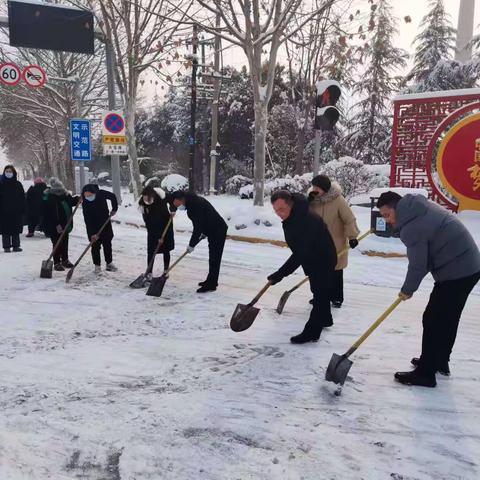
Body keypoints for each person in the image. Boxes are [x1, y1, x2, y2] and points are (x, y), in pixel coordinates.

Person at [378, 191, 480, 388]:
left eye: (387, 215)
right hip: (469, 265)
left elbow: (418, 264)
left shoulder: (411, 227)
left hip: (457, 270)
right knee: (447, 318)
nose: (387, 220)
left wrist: (407, 290)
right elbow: (424, 261)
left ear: (396, 208)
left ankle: (426, 373)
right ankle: (438, 360)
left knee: (433, 318)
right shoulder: (417, 208)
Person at [268, 190, 337, 344]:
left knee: (320, 295)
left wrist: (280, 274)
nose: (279, 214)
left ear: (291, 205)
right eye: (276, 210)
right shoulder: (294, 215)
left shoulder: (306, 220)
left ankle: (312, 332)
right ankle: (326, 319)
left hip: (323, 259)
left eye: (282, 209)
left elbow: (300, 253)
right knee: (319, 291)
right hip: (312, 258)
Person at [308, 175, 360, 308]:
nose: (314, 189)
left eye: (317, 187)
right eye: (313, 187)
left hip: (335, 242)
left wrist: (352, 236)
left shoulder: (338, 200)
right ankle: (319, 296)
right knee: (317, 272)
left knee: (335, 271)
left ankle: (337, 298)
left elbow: (349, 219)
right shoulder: (313, 200)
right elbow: (304, 216)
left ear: (325, 189)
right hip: (316, 243)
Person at [171, 191, 228, 293]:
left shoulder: (195, 205)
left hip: (218, 230)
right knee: (213, 258)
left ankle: (212, 284)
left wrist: (191, 245)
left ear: (182, 199)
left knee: (215, 258)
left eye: (178, 203)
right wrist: (204, 232)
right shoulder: (192, 203)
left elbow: (197, 227)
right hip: (212, 229)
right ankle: (211, 281)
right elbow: (205, 219)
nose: (178, 206)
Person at [42, 178, 79, 271]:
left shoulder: (65, 195)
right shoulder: (49, 198)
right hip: (53, 225)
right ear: (53, 190)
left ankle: (65, 260)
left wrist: (78, 199)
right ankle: (57, 262)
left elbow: (71, 202)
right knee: (56, 243)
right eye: (58, 191)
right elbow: (49, 214)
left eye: (61, 190)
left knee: (65, 242)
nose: (60, 192)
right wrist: (57, 225)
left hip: (66, 224)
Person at [139, 186, 175, 279]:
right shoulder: (142, 203)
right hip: (152, 228)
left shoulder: (161, 199)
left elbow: (173, 199)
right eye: (145, 198)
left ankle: (166, 271)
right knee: (151, 251)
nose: (147, 200)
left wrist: (173, 209)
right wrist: (156, 236)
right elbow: (147, 220)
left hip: (166, 226)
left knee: (166, 250)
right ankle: (149, 272)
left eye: (149, 198)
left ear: (153, 196)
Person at [81, 184, 118, 274]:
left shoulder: (101, 193)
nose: (88, 197)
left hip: (105, 223)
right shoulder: (85, 202)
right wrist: (92, 234)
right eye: (86, 195)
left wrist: (114, 209)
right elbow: (87, 219)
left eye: (89, 195)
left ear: (94, 193)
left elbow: (112, 196)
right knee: (95, 246)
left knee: (107, 243)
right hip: (93, 226)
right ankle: (97, 265)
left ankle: (109, 263)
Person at [0, 165, 26, 253]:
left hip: (16, 211)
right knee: (5, 229)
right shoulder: (1, 184)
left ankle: (16, 246)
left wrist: (22, 208)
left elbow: (22, 197)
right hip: (4, 211)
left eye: (10, 171)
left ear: (13, 172)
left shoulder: (18, 184)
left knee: (15, 229)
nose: (8, 173)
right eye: (6, 171)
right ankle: (6, 246)